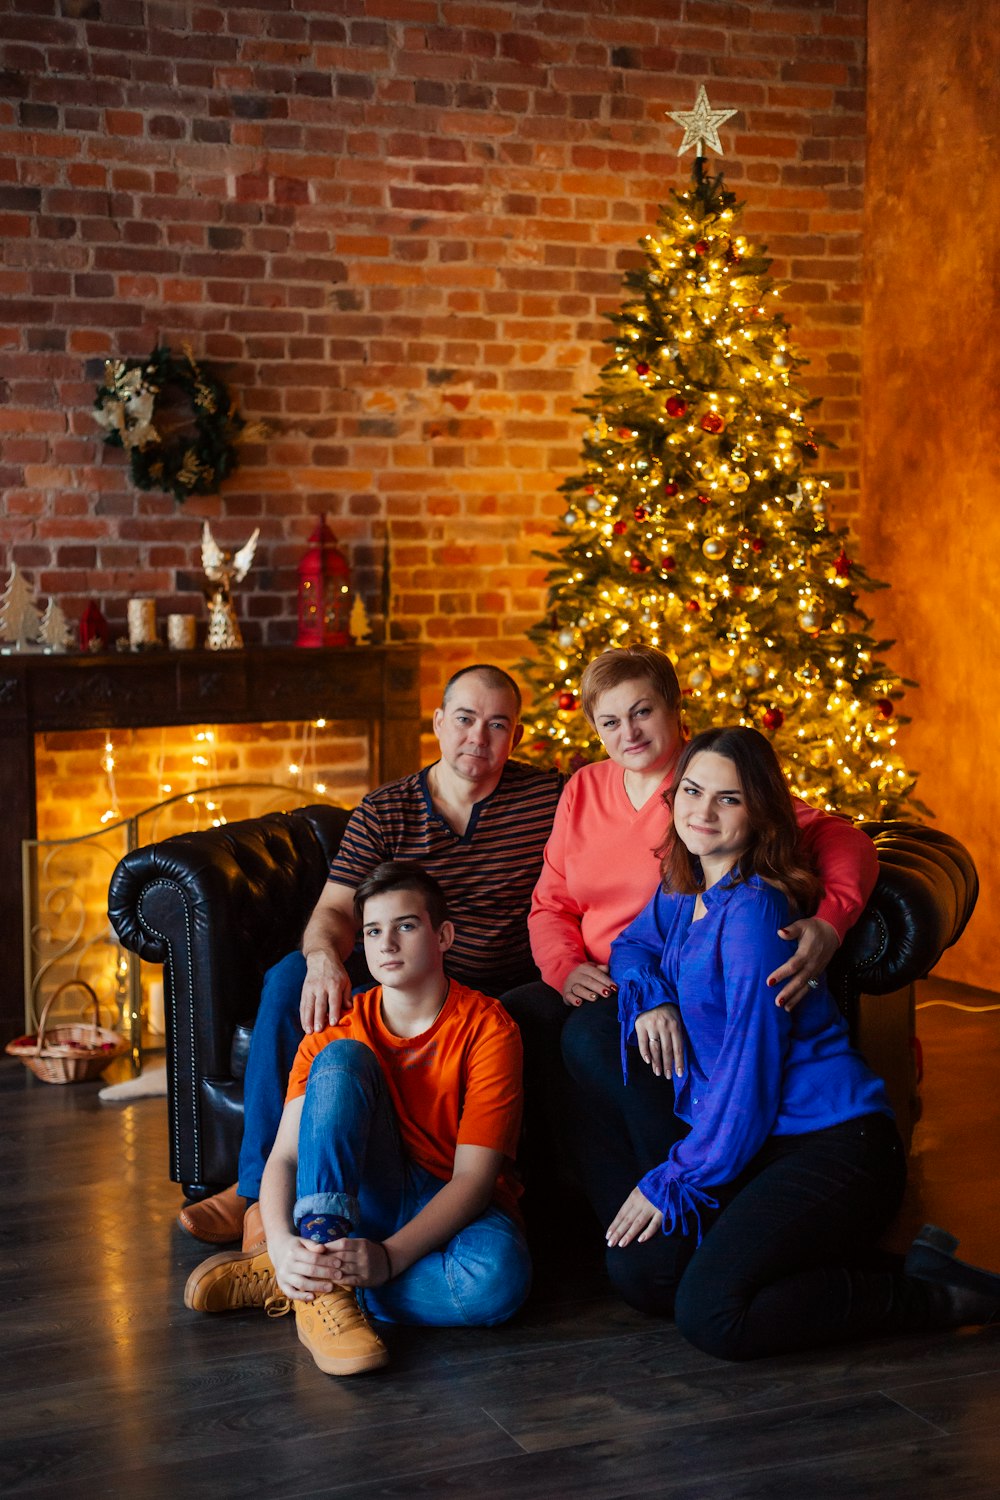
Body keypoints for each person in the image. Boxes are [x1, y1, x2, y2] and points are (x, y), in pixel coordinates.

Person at [590, 726, 1000, 1359]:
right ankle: (885, 1261)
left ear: (761, 814)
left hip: (834, 1143)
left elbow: (748, 1077)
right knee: (645, 1276)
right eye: (692, 790)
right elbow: (632, 945)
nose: (702, 811)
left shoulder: (755, 914)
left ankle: (937, 1296)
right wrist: (653, 997)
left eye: (727, 799)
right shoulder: (683, 889)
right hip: (760, 1142)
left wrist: (675, 1175)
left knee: (711, 1317)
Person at [178, 664, 562, 1249]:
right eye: (464, 719)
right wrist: (324, 959)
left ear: (515, 734)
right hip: (395, 966)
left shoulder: (546, 801)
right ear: (438, 722)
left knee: (524, 1017)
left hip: (493, 982)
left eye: (496, 725)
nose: (477, 739)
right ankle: (255, 1194)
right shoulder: (387, 809)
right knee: (290, 978)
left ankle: (481, 1194)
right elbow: (334, 912)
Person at [505, 645, 879, 1187]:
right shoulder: (584, 788)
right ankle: (565, 1205)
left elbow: (841, 839)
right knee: (517, 1016)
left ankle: (668, 1184)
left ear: (675, 708)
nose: (628, 732)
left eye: (643, 712)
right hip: (599, 973)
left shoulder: (710, 779)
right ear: (593, 727)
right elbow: (551, 901)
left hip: (676, 978)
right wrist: (564, 969)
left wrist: (831, 920)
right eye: (610, 721)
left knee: (589, 1038)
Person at [183, 863, 532, 1377]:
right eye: (372, 931)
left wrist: (388, 1257)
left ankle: (309, 1284)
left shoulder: (488, 1028)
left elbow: (474, 1182)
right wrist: (279, 1243)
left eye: (406, 926)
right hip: (353, 1202)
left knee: (498, 1281)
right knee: (343, 1059)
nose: (386, 943)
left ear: (444, 935)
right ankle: (317, 1280)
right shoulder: (336, 1028)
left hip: (446, 1204)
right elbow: (284, 1156)